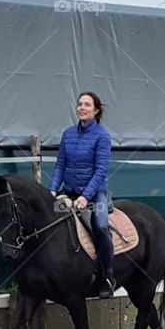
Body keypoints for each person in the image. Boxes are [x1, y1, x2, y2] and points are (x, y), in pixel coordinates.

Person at [49, 91, 116, 298]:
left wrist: (86, 197)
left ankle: (107, 276)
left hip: (96, 197)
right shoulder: (68, 134)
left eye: (87, 104)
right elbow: (61, 164)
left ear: (95, 110)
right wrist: (52, 189)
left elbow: (100, 171)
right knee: (48, 217)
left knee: (101, 226)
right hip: (67, 192)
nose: (82, 108)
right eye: (79, 104)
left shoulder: (103, 136)